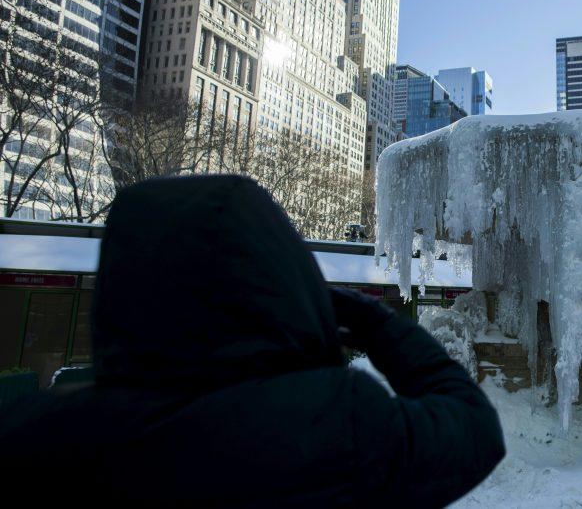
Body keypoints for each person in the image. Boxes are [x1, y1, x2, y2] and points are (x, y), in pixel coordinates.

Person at [0, 176, 505, 507]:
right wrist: (378, 324)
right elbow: (476, 430)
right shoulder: (335, 424)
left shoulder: (34, 441)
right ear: (280, 277)